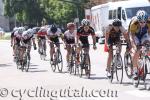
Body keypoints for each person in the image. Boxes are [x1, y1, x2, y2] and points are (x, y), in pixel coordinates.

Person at [129, 10, 150, 79]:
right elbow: (131, 36)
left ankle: (144, 58)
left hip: (144, 35)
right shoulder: (134, 23)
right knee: (137, 50)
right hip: (135, 35)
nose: (143, 23)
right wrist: (134, 45)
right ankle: (135, 71)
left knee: (147, 44)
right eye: (140, 22)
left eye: (144, 22)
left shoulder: (149, 22)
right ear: (138, 20)